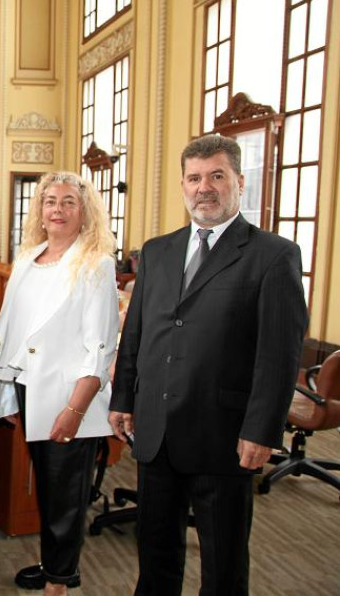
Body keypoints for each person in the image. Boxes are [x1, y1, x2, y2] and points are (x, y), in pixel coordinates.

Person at [109, 134, 308, 595]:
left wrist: (262, 430)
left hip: (225, 435)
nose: (205, 188)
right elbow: (138, 332)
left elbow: (278, 355)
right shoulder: (157, 251)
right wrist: (123, 397)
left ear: (239, 182)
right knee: (155, 556)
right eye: (195, 178)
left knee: (222, 566)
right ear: (183, 185)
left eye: (217, 176)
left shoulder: (273, 255)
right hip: (155, 430)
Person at [0, 172, 119, 594]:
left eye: (68, 202)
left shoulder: (96, 264)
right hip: (30, 389)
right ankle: (53, 564)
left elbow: (100, 348)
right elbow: (15, 335)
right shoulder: (27, 260)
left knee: (66, 498)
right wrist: (7, 393)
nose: (57, 210)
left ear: (85, 212)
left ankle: (59, 581)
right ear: (39, 211)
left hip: (69, 396)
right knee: (47, 488)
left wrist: (75, 410)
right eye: (49, 201)